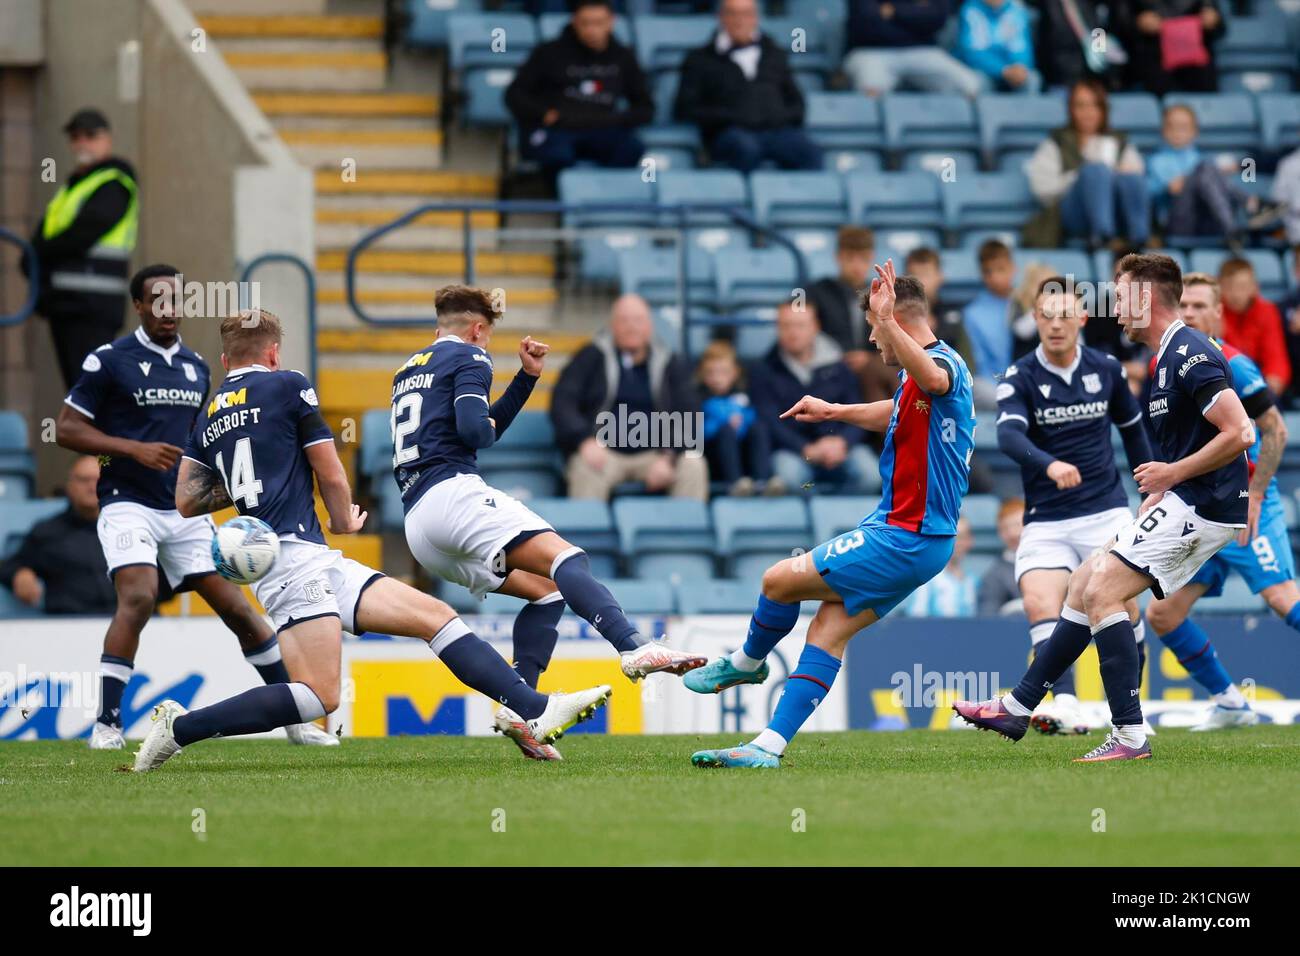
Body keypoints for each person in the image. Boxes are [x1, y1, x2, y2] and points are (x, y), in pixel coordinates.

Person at [133, 308, 619, 772]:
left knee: (437, 618)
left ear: (225, 360)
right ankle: (180, 728)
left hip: (303, 558)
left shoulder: (212, 411)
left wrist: (248, 484)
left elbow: (188, 500)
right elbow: (328, 466)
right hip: (291, 561)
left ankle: (533, 709)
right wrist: (344, 516)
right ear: (274, 353)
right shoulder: (289, 385)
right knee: (318, 697)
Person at [957, 253, 1254, 762]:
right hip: (1187, 498)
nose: (1115, 310)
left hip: (1206, 504)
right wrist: (1163, 483)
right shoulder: (1165, 356)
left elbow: (1240, 431)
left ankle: (1128, 735)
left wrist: (1172, 474)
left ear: (1145, 298)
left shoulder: (1188, 353)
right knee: (1084, 583)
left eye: (1120, 297)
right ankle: (1020, 705)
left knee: (1102, 589)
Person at [391, 286, 706, 760]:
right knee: (567, 558)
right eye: (489, 335)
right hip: (452, 494)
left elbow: (474, 429)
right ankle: (633, 646)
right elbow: (477, 433)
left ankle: (524, 711)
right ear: (478, 329)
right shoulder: (471, 358)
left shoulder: (407, 370)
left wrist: (526, 378)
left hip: (418, 520)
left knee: (546, 588)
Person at [686, 262, 975, 768]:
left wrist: (885, 323)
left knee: (777, 581)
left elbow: (931, 379)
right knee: (827, 630)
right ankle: (767, 748)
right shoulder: (923, 376)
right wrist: (835, 411)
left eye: (875, 325)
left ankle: (747, 663)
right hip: (917, 537)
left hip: (906, 535)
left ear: (896, 322)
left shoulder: (940, 365)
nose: (869, 335)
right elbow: (900, 407)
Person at [55, 265, 333, 751]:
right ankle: (107, 724)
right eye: (156, 300)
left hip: (181, 509)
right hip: (128, 502)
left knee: (238, 611)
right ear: (138, 306)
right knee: (139, 597)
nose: (168, 309)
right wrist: (132, 449)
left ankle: (294, 719)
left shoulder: (197, 367)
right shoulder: (109, 360)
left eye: (176, 300)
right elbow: (65, 428)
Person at [993, 275, 1152, 736]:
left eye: (1065, 315)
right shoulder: (1019, 376)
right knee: (1039, 600)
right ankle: (1065, 704)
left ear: (1082, 318)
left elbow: (1133, 431)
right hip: (1046, 518)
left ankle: (1128, 708)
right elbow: (1007, 436)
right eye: (1047, 315)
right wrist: (1049, 464)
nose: (1056, 325)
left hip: (1105, 511)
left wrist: (1150, 491)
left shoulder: (1107, 368)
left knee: (1123, 606)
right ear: (1036, 319)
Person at [1144, 273, 1296, 730]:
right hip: (1201, 509)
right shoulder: (1165, 363)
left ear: (1217, 314)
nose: (1188, 313)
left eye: (1198, 307)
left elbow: (1275, 431)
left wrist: (1258, 496)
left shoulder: (1235, 363)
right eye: (1183, 305)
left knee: (1283, 600)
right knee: (1163, 613)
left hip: (1247, 507)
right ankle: (1230, 702)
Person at [550, 293, 707, 501]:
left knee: (693, 464)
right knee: (584, 469)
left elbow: (690, 412)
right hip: (603, 453)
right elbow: (562, 402)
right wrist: (584, 441)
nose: (631, 327)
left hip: (656, 454)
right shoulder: (591, 356)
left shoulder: (670, 362)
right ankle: (585, 534)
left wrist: (669, 457)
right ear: (612, 326)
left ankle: (685, 534)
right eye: (624, 320)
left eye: (638, 321)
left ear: (649, 326)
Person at [24, 108, 137, 390]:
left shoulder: (114, 181)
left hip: (92, 305)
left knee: (90, 393)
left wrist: (39, 253)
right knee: (79, 391)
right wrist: (33, 256)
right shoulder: (73, 186)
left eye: (90, 135)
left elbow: (84, 232)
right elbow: (48, 233)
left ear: (107, 139)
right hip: (66, 304)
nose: (82, 142)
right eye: (76, 136)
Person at [504, 0, 651, 177]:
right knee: (555, 155)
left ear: (611, 21)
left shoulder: (623, 56)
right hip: (558, 129)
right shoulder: (549, 52)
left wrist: (618, 120)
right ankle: (555, 200)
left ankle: (607, 198)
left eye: (598, 23)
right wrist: (543, 114)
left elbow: (645, 106)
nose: (591, 30)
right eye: (585, 23)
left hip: (604, 128)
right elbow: (515, 94)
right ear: (574, 21)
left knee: (631, 149)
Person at [673, 0, 821, 173]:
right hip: (729, 134)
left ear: (755, 18)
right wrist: (731, 117)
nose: (739, 21)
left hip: (775, 132)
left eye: (746, 14)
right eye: (733, 14)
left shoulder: (774, 54)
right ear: (721, 17)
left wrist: (773, 116)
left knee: (808, 151)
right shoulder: (699, 59)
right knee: (745, 148)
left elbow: (797, 105)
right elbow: (684, 108)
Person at [748, 302, 880, 494]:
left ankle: (842, 519)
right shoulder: (763, 370)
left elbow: (858, 409)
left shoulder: (839, 366)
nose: (793, 332)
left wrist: (842, 442)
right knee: (790, 477)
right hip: (792, 450)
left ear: (815, 327)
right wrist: (805, 448)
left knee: (871, 474)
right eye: (786, 326)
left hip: (841, 447)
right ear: (777, 328)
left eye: (800, 325)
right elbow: (768, 420)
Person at [1024, 78, 1149, 250]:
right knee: (1095, 171)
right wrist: (1081, 176)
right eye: (1080, 105)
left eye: (1094, 105)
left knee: (1130, 178)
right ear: (1071, 109)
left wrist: (1116, 174)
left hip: (1117, 211)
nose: (1087, 112)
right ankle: (1103, 236)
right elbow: (1042, 189)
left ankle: (1139, 239)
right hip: (1075, 214)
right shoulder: (1057, 142)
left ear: (1103, 109)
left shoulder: (1120, 142)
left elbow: (1137, 176)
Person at [0, 456, 116, 615]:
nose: (91, 487)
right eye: (84, 480)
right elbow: (10, 565)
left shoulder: (127, 529)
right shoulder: (48, 532)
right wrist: (20, 574)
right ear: (70, 486)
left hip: (126, 625)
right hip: (64, 627)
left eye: (98, 480)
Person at [807, 226, 898, 406]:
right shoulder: (816, 291)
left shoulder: (885, 293)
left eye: (863, 258)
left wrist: (872, 359)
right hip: (830, 367)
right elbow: (796, 312)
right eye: (850, 258)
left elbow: (896, 336)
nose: (856, 265)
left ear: (871, 257)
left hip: (875, 369)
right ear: (838, 257)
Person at [1147, 104, 1255, 249]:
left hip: (1207, 219)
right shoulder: (1156, 161)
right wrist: (1165, 188)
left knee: (1207, 169)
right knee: (1205, 169)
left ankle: (1236, 220)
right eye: (1172, 127)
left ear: (1194, 131)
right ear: (1163, 131)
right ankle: (1246, 206)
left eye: (1183, 127)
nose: (1177, 132)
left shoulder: (1201, 159)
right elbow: (1147, 192)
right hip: (1177, 223)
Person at [843, 0, 985, 97]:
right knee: (871, 91)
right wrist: (916, 15)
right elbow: (867, 20)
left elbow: (937, 17)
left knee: (971, 85)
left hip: (922, 51)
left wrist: (893, 11)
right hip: (871, 51)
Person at [697, 341, 782, 496]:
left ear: (735, 373)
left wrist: (742, 421)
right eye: (711, 373)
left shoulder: (742, 396)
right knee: (726, 431)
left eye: (723, 372)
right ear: (703, 374)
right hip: (715, 456)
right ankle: (735, 483)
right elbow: (698, 433)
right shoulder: (698, 398)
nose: (717, 378)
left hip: (742, 451)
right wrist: (722, 423)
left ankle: (762, 480)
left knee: (758, 428)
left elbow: (752, 416)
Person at [1118, 0, 1224, 96]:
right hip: (1153, 64)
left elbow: (1221, 28)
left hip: (1199, 68)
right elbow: (1117, 27)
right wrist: (1137, 24)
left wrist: (1213, 20)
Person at [1219, 258, 1291, 398]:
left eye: (1242, 287)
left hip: (1259, 383)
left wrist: (1274, 380)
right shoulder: (1214, 311)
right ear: (1219, 287)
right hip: (1225, 384)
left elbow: (1275, 356)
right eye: (1229, 287)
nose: (1236, 294)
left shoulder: (1267, 311)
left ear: (1255, 287)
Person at [955, 0, 1041, 93]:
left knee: (1032, 79)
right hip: (983, 71)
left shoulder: (1016, 9)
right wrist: (1003, 70)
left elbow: (1022, 48)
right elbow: (972, 53)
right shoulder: (971, 9)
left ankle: (1025, 108)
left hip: (1011, 70)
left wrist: (1019, 66)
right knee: (976, 82)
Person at [962, 239, 1016, 388]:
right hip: (991, 385)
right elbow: (977, 366)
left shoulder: (1028, 304)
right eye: (988, 272)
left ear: (1013, 268)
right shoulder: (972, 314)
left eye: (1001, 269)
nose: (995, 278)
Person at [905, 518, 978, 616]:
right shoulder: (926, 580)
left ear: (970, 541)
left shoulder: (974, 581)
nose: (957, 542)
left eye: (962, 537)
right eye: (952, 537)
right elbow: (915, 622)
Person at [976, 498, 1024, 615]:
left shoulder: (1052, 562)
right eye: (1005, 529)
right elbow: (988, 617)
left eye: (1017, 525)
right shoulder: (994, 576)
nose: (1013, 533)